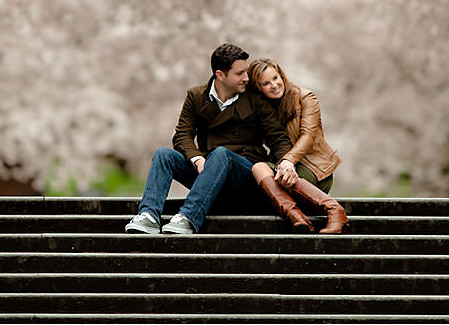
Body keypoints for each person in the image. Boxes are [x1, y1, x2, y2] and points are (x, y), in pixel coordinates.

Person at [125, 43, 294, 235]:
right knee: (164, 155)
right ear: (220, 75)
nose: (247, 78)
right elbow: (182, 135)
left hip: (244, 177)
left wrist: (286, 164)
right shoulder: (196, 96)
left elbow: (279, 139)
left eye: (246, 72)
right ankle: (148, 216)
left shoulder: (255, 99)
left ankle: (188, 217)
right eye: (240, 74)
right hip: (208, 171)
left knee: (222, 153)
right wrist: (197, 159)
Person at [247, 58, 349, 234]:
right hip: (282, 167)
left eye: (275, 78)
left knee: (283, 179)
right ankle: (297, 217)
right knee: (258, 168)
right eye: (266, 83)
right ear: (257, 88)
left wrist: (288, 161)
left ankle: (334, 210)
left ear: (282, 75)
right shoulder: (261, 108)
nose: (274, 85)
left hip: (314, 168)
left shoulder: (305, 97)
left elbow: (308, 135)